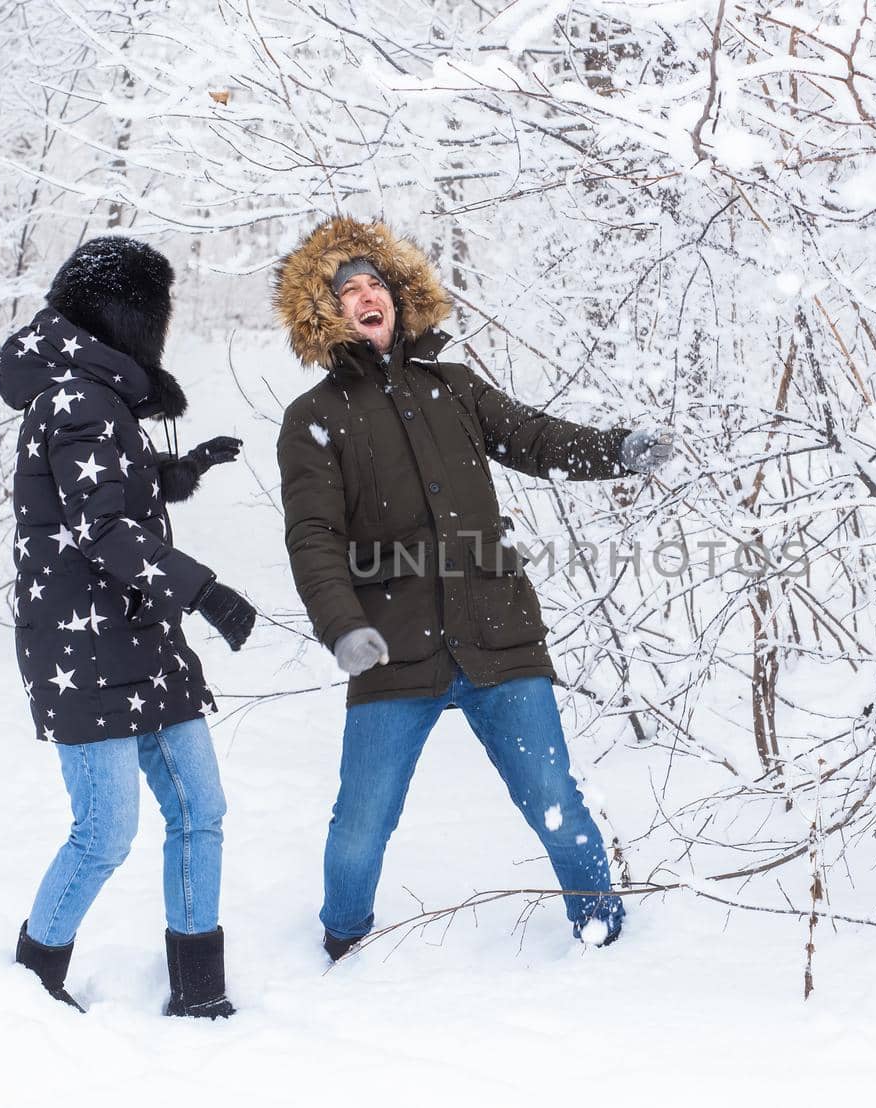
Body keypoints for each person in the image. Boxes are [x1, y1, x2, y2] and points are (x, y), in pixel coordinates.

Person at [272, 217, 675, 961]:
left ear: (398, 297)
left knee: (554, 800)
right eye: (347, 289)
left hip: (497, 637)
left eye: (375, 283)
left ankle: (604, 935)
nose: (366, 296)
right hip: (392, 652)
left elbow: (537, 438)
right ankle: (340, 943)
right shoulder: (314, 421)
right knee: (361, 823)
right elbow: (314, 540)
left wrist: (618, 449)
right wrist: (342, 628)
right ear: (326, 314)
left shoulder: (453, 388)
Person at [0, 236, 258, 1016]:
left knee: (199, 810)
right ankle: (32, 980)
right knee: (106, 833)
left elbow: (103, 491)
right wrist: (205, 591)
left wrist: (176, 474)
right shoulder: (77, 398)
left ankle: (199, 990)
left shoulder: (94, 395)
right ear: (127, 321)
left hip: (138, 638)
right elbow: (98, 529)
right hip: (84, 646)